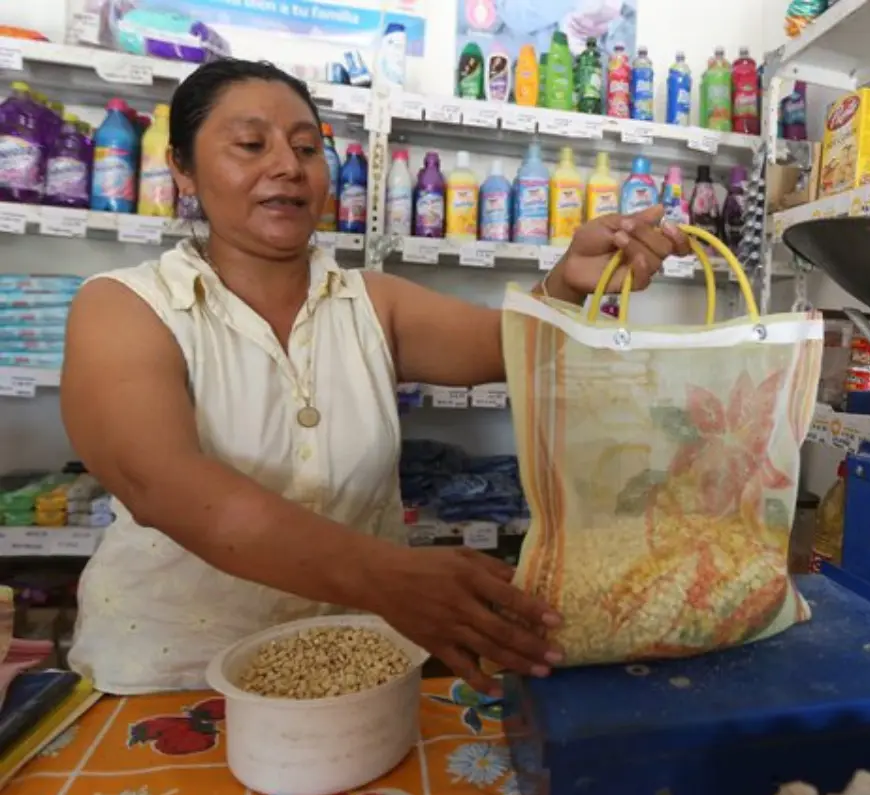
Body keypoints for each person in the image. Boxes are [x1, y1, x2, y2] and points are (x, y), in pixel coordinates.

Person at [60, 59, 690, 696]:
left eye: (308, 147)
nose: (287, 165)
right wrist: (391, 577)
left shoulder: (371, 302)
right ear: (182, 168)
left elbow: (508, 346)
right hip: (172, 679)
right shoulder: (124, 306)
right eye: (252, 145)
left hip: (355, 674)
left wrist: (569, 281)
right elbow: (160, 482)